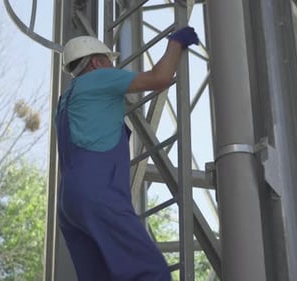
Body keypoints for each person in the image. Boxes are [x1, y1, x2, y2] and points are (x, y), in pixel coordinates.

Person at [55, 26, 199, 281]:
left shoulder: (66, 100)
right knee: (149, 272)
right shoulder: (100, 78)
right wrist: (176, 42)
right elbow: (159, 77)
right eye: (110, 61)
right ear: (98, 62)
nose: (113, 67)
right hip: (98, 194)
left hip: (68, 205)